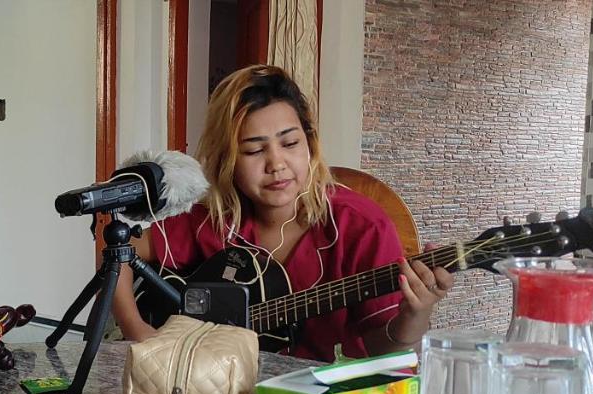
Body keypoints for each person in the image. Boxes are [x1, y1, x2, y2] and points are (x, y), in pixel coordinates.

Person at [112, 65, 452, 361]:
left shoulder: (361, 227)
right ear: (226, 161)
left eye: (289, 144)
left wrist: (415, 315)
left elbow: (384, 349)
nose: (276, 164)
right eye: (254, 150)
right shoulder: (216, 220)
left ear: (310, 145)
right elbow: (117, 252)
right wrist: (137, 329)